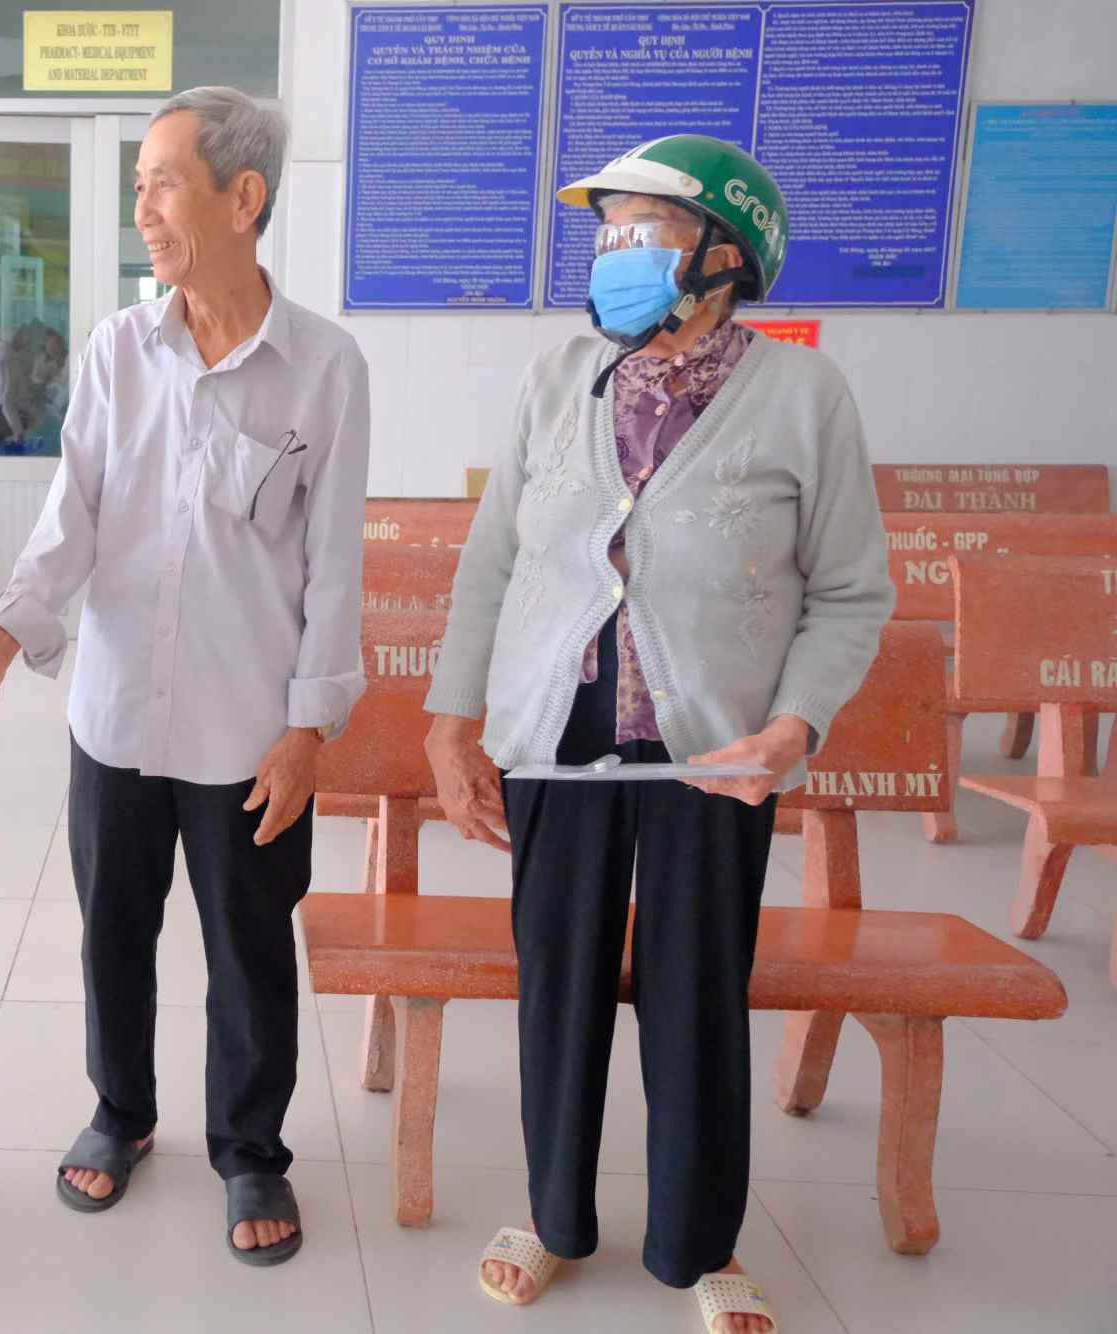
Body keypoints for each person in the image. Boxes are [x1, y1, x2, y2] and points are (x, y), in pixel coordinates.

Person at [420, 135, 894, 1334]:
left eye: (640, 230)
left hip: (713, 750)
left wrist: (795, 725)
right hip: (555, 734)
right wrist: (449, 719)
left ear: (725, 254)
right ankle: (549, 1216)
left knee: (695, 991)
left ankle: (700, 1242)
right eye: (605, 231)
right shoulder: (557, 376)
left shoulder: (801, 394)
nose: (611, 250)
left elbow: (848, 591)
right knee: (558, 985)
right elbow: (491, 561)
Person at [0, 86, 370, 1268]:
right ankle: (121, 1109)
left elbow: (333, 568)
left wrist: (309, 725)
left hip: (250, 725)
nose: (140, 206)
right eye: (137, 183)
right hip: (116, 710)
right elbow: (70, 515)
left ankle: (250, 1146)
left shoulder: (325, 368)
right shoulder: (114, 349)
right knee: (112, 929)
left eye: (160, 181)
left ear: (241, 199)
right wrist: (1, 638)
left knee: (247, 942)